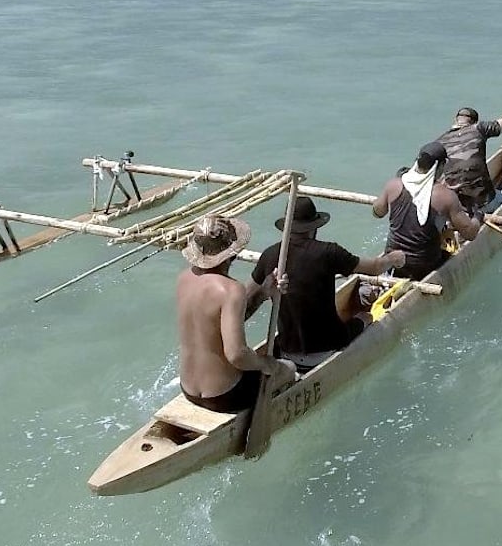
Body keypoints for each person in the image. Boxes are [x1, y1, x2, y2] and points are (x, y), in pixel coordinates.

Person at [246, 196, 407, 371]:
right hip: (326, 348)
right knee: (366, 316)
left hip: (285, 350)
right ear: (314, 227)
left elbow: (246, 295)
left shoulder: (269, 255)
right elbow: (375, 268)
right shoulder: (329, 252)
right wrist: (394, 258)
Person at [176, 215, 296, 413]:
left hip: (188, 389)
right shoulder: (232, 290)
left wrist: (264, 291)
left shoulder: (183, 279)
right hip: (224, 396)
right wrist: (266, 364)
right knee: (289, 368)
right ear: (232, 253)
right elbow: (236, 355)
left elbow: (216, 323)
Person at [371, 142, 481, 279]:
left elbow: (377, 213)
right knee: (448, 249)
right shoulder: (446, 196)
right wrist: (478, 217)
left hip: (392, 261)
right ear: (440, 166)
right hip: (423, 266)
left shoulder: (393, 185)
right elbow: (470, 234)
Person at [435, 99, 502, 213]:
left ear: (456, 120)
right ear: (474, 122)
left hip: (457, 207)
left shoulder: (441, 141)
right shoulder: (479, 128)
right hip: (484, 202)